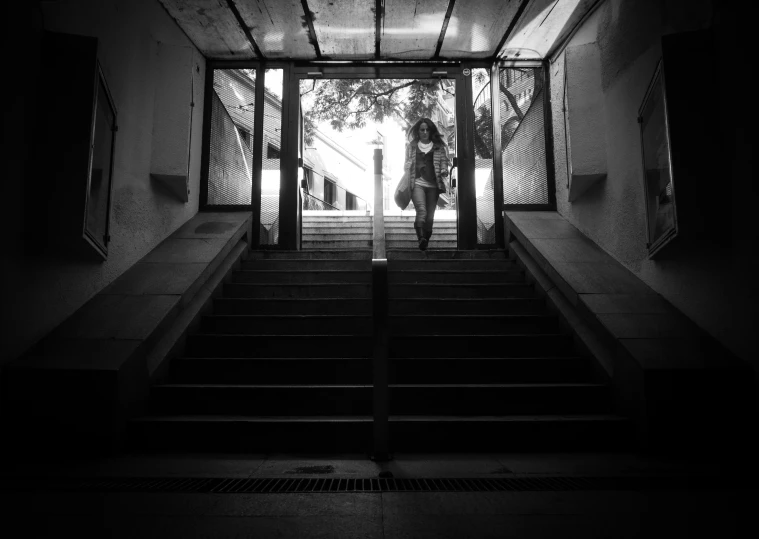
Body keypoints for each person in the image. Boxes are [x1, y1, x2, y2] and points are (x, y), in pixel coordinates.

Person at [403, 118, 451, 251]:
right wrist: (407, 166)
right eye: (422, 130)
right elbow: (406, 164)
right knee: (421, 210)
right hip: (417, 183)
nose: (424, 132)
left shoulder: (439, 147)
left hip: (433, 186)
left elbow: (444, 162)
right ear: (418, 131)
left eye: (427, 129)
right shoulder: (411, 146)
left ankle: (425, 240)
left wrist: (443, 170)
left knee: (430, 217)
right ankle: (420, 238)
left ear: (431, 131)